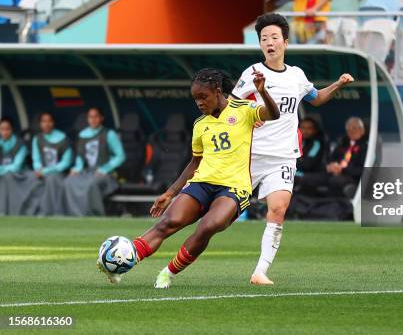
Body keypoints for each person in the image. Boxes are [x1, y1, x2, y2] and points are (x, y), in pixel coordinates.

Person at [98, 68, 280, 288]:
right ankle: (120, 262)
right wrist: (170, 193)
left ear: (218, 91)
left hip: (234, 187)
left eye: (203, 97)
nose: (199, 103)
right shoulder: (200, 125)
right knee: (167, 223)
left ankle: (168, 272)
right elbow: (195, 163)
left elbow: (273, 114)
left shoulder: (244, 109)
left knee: (208, 226)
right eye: (195, 99)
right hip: (201, 183)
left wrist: (263, 92)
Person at [231, 13, 354, 285]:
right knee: (222, 213)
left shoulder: (297, 75)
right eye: (264, 39)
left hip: (284, 156)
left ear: (285, 42)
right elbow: (231, 106)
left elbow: (317, 98)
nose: (269, 42)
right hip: (251, 155)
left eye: (274, 37)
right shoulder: (252, 74)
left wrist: (338, 84)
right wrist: (253, 114)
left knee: (278, 208)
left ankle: (260, 271)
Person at [63, 107, 125, 216]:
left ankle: (94, 214)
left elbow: (120, 156)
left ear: (101, 118)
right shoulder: (83, 135)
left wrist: (105, 168)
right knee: (69, 181)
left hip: (105, 173)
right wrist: (77, 168)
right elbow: (80, 156)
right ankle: (73, 214)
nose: (93, 119)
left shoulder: (109, 134)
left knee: (91, 184)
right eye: (90, 117)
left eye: (96, 116)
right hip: (87, 172)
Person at [32, 112, 73, 215]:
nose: (46, 124)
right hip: (41, 172)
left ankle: (49, 212)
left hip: (58, 173)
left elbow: (66, 162)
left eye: (49, 121)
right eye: (44, 121)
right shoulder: (37, 138)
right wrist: (38, 169)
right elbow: (35, 158)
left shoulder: (63, 138)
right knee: (28, 178)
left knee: (52, 178)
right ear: (40, 124)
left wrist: (46, 171)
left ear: (53, 122)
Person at [0, 118, 32, 215]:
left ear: (12, 129)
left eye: (7, 129)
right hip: (4, 174)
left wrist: (1, 170)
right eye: (2, 129)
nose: (5, 132)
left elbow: (16, 166)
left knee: (8, 176)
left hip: (19, 175)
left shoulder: (20, 143)